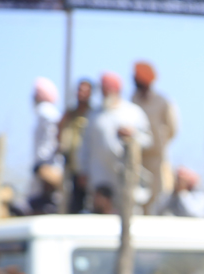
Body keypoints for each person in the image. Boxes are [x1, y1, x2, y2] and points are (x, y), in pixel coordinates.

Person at [77, 72, 152, 212]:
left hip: (125, 174)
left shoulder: (133, 112)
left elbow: (148, 140)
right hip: (99, 176)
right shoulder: (93, 116)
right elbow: (85, 146)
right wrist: (83, 170)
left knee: (127, 209)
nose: (105, 93)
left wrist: (133, 134)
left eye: (108, 89)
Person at [130, 61, 180, 213]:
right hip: (138, 158)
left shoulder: (162, 101)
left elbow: (173, 128)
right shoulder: (133, 101)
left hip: (158, 159)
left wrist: (160, 143)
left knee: (159, 196)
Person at [59, 79, 94, 214]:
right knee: (72, 203)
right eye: (80, 90)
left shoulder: (93, 115)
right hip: (71, 166)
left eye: (85, 91)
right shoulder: (70, 114)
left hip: (88, 167)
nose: (82, 94)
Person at [30, 78, 62, 215]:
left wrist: (41, 165)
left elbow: (49, 140)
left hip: (47, 164)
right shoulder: (50, 112)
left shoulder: (45, 111)